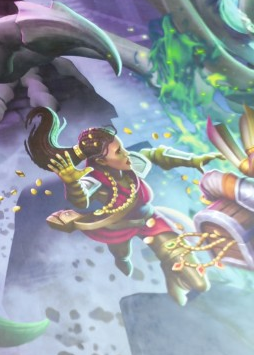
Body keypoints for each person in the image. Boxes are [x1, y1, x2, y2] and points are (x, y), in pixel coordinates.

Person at [25, 107, 220, 304]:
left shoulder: (129, 163)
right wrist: (72, 182)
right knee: (122, 256)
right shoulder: (93, 178)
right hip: (118, 228)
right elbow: (81, 200)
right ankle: (125, 260)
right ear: (101, 160)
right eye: (119, 152)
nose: (126, 154)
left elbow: (155, 155)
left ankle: (170, 274)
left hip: (150, 220)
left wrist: (192, 160)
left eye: (122, 148)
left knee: (200, 283)